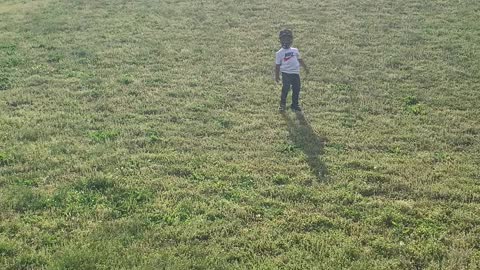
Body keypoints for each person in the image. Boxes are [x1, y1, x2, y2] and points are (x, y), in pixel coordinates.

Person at [274, 29, 309, 112]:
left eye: (288, 39)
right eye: (284, 39)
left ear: (291, 40)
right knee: (285, 89)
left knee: (296, 89)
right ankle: (282, 105)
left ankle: (295, 105)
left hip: (295, 73)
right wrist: (277, 76)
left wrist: (305, 68)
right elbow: (277, 66)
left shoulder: (295, 50)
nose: (286, 41)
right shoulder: (279, 53)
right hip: (286, 73)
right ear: (280, 40)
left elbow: (300, 60)